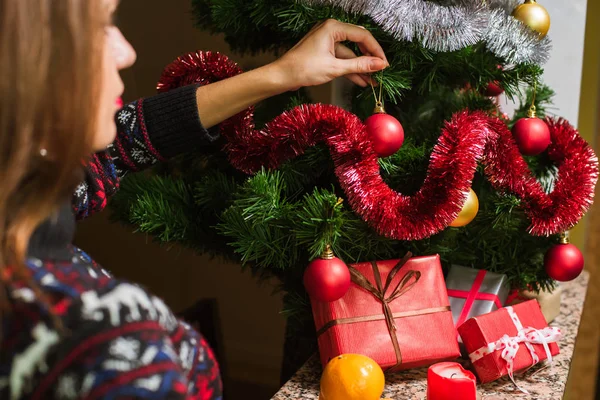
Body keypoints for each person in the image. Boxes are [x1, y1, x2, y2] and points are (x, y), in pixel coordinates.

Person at [0, 0, 388, 398]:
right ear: (23, 64)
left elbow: (116, 146)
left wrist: (281, 75)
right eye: (100, 28)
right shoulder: (100, 351)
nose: (126, 52)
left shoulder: (21, 198)